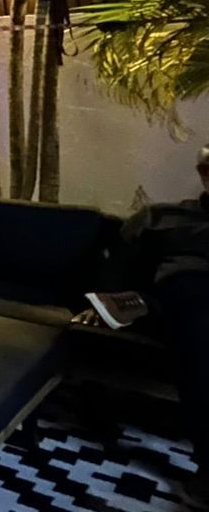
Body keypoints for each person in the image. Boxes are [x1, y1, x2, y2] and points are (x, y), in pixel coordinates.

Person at [81, 144, 209, 482]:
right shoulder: (160, 217)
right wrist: (103, 302)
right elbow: (114, 269)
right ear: (203, 175)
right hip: (180, 297)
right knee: (194, 313)